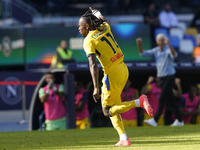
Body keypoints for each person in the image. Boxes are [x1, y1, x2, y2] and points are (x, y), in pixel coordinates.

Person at [78, 7, 153, 146]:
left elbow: (93, 65)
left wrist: (95, 87)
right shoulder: (105, 28)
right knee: (115, 107)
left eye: (80, 26)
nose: (79, 29)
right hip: (123, 68)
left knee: (106, 110)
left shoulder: (88, 41)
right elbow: (103, 19)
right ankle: (123, 138)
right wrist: (96, 13)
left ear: (87, 26)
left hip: (111, 73)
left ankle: (139, 102)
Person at [136, 33, 183, 127]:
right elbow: (143, 53)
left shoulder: (168, 50)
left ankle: (155, 120)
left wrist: (169, 44)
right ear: (157, 42)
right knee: (172, 101)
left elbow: (174, 55)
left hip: (169, 78)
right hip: (161, 79)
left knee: (162, 98)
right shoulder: (156, 50)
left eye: (162, 40)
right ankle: (180, 120)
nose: (161, 42)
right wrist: (139, 44)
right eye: (159, 40)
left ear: (165, 41)